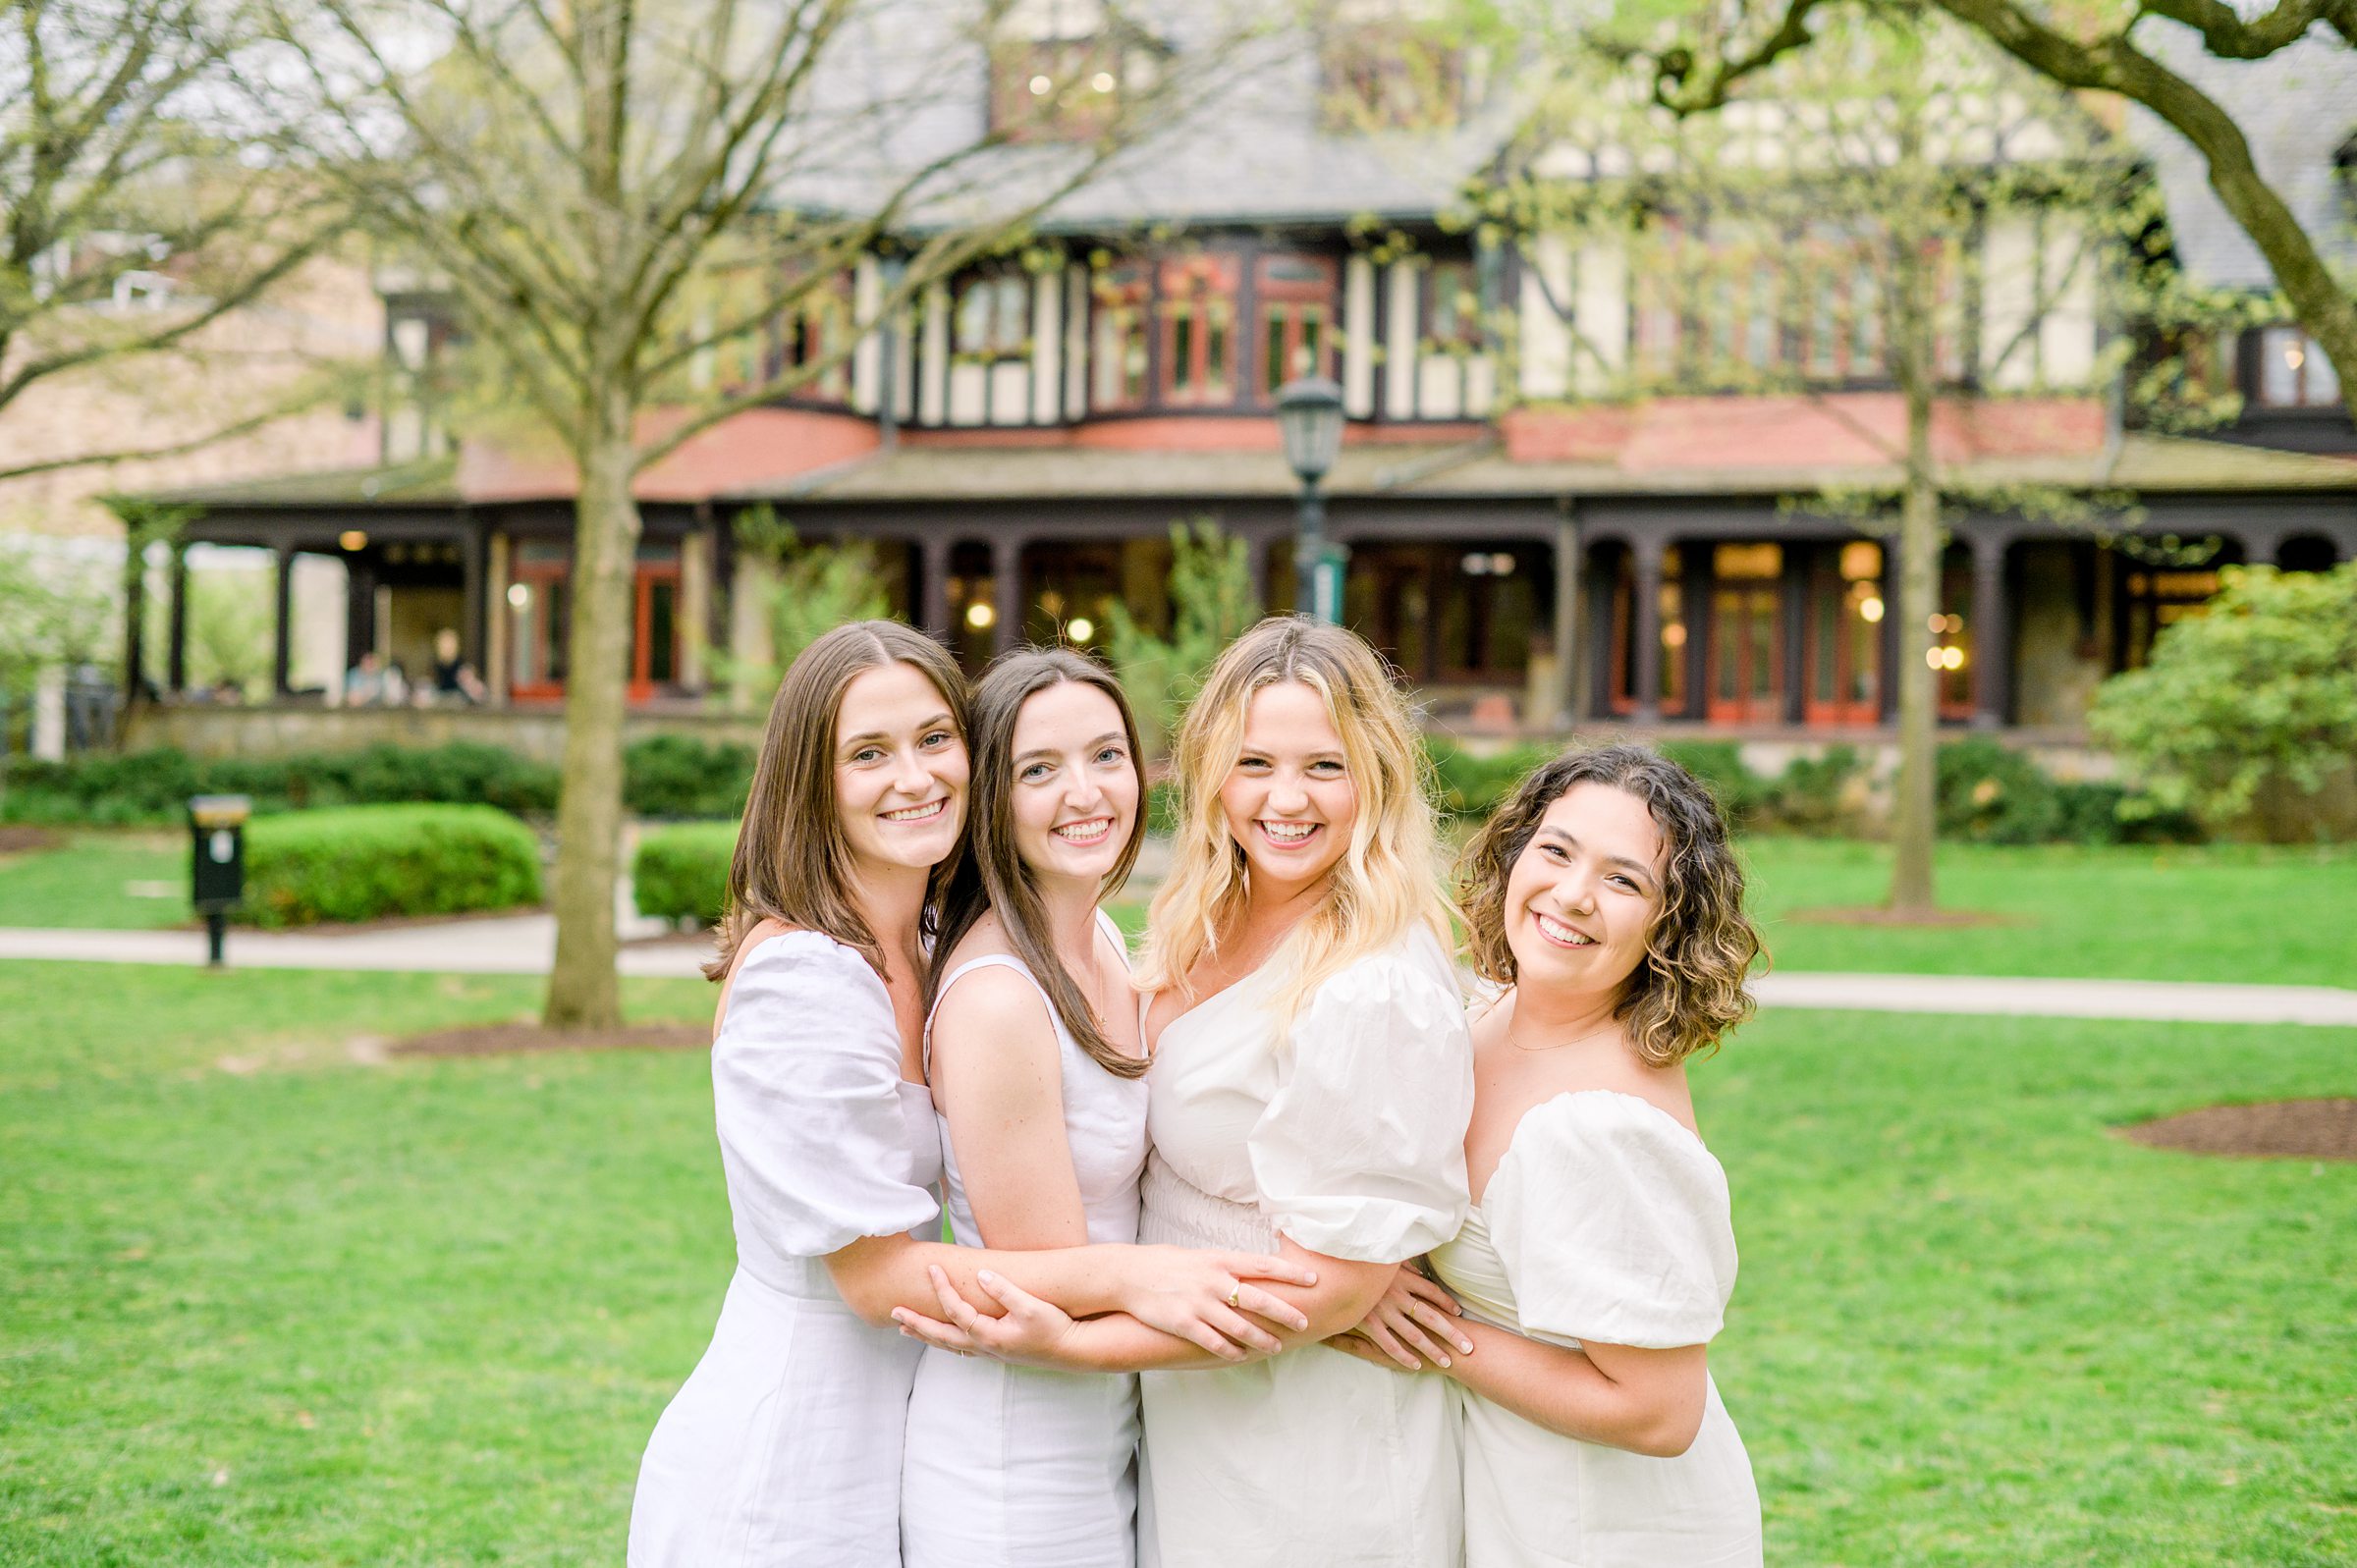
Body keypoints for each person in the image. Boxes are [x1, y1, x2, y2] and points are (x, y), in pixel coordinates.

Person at [628, 622, 1314, 1568]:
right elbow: (872, 1279)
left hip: (912, 1415)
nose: (914, 776)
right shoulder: (805, 981)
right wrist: (1149, 1277)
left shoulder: (927, 944)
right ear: (810, 781)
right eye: (868, 752)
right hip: (794, 1448)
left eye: (933, 739)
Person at [897, 618, 1476, 1568]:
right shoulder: (1191, 922)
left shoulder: (1374, 978)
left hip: (1303, 1438)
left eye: (1324, 766)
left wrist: (1345, 1283)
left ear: (1377, 774)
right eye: (1254, 761)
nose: (1285, 798)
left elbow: (1337, 1278)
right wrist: (1315, 1276)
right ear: (1209, 769)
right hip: (1185, 1415)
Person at [1331, 743, 1766, 1568]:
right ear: (1515, 852)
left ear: (1667, 922)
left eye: (1623, 879)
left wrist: (1422, 1328)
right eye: (1557, 850)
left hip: (1608, 1531)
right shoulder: (1486, 1014)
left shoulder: (1597, 1127)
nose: (1572, 894)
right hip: (1516, 1500)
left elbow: (1660, 1412)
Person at [901, 648, 1152, 1568]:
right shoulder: (999, 997)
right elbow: (1049, 1278)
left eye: (1106, 755)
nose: (1085, 792)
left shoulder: (1108, 942)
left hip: (1108, 1423)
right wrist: (1299, 1301)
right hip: (1015, 1461)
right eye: (1037, 770)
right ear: (991, 801)